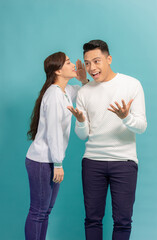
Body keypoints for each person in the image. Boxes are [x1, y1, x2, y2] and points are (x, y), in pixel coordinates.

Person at [68, 40, 147, 240]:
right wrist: (80, 121)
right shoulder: (84, 92)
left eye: (97, 61)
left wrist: (125, 117)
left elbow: (142, 126)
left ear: (108, 59)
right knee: (92, 219)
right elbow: (83, 135)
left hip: (124, 162)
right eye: (87, 63)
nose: (92, 68)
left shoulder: (132, 84)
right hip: (93, 162)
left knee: (123, 221)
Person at [25, 51, 87, 240]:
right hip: (42, 161)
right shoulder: (53, 94)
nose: (73, 65)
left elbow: (84, 91)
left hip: (51, 159)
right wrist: (58, 163)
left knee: (46, 211)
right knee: (38, 211)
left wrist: (83, 79)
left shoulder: (65, 91)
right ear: (58, 71)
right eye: (68, 62)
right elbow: (52, 131)